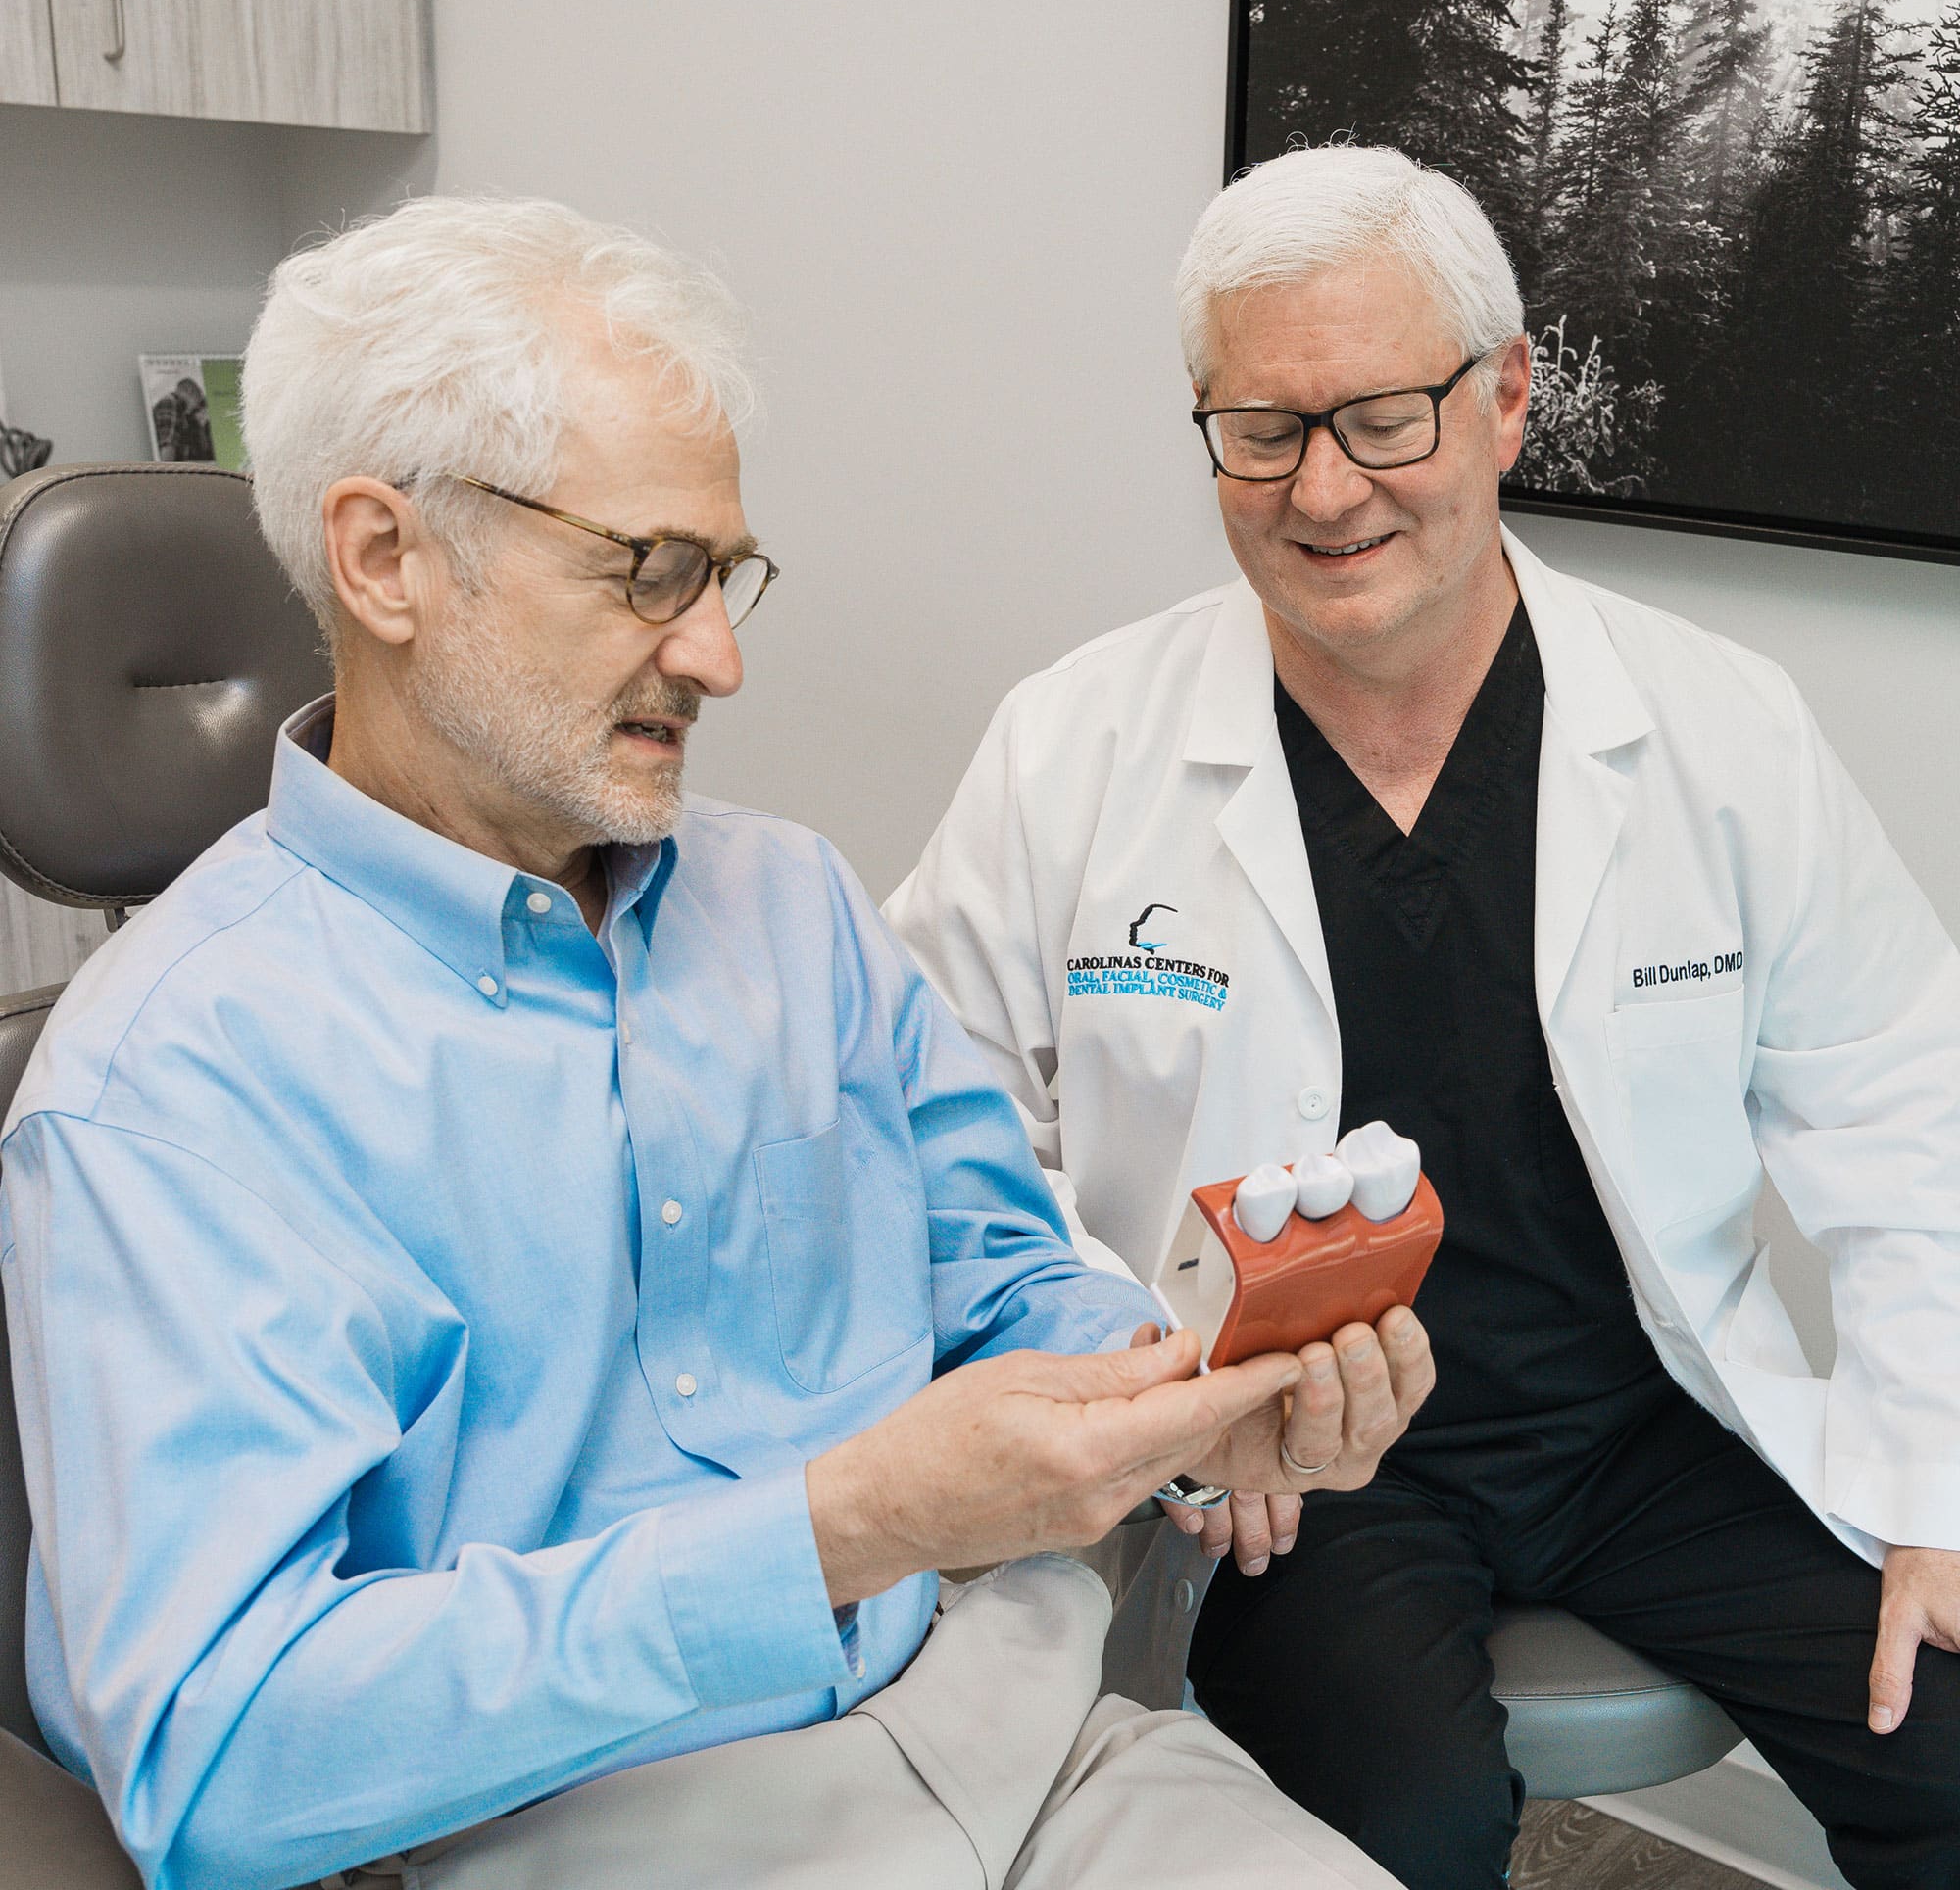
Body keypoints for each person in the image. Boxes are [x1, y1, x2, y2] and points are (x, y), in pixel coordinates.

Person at [0, 195, 1433, 1890]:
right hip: (574, 1833)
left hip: (1029, 1736)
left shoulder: (791, 903)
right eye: (648, 573)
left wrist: (1181, 1395)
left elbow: (1003, 1280)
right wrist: (841, 1531)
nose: (721, 656)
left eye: (726, 571)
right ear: (386, 560)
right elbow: (221, 1752)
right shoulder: (170, 1087)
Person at [884, 144, 1960, 1890]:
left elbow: (1910, 1106)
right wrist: (1155, 1385)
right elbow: (927, 1132)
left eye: (1385, 417)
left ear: (1510, 398)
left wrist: (1937, 1487)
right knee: (1400, 1833)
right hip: (1303, 1459)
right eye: (1262, 429)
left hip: (1652, 1423)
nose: (1325, 491)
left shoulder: (1718, 731)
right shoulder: (1075, 743)